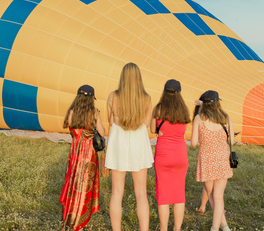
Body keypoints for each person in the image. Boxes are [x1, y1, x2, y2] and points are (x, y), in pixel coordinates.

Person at [104, 62, 154, 231]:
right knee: (141, 193)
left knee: (116, 193)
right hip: (138, 142)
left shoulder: (113, 95)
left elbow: (110, 121)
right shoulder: (147, 98)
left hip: (118, 141)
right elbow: (146, 124)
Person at [59, 84, 105, 231]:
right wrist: (97, 119)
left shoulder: (72, 112)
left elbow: (71, 128)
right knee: (85, 187)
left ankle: (69, 217)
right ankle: (79, 220)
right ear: (91, 98)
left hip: (75, 154)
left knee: (73, 185)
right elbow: (102, 134)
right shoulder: (94, 113)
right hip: (89, 154)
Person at [151, 79, 191, 231]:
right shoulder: (184, 110)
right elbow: (181, 131)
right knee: (179, 194)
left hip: (163, 155)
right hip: (180, 155)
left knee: (164, 196)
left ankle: (163, 229)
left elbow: (152, 129)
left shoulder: (158, 109)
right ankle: (177, 229)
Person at [191, 90, 233, 231]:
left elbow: (193, 142)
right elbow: (231, 140)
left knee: (211, 195)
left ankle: (219, 227)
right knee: (219, 196)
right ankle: (222, 227)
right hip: (222, 159)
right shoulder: (226, 117)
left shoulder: (199, 118)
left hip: (207, 159)